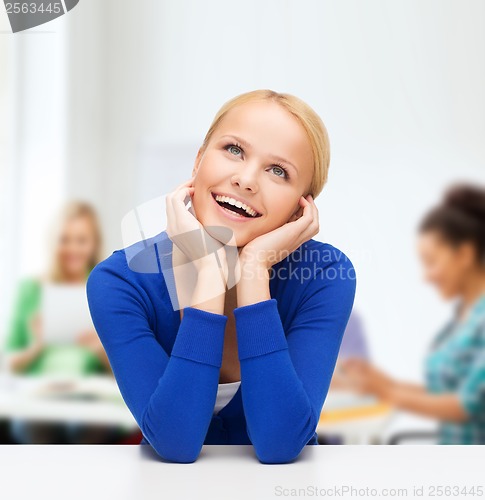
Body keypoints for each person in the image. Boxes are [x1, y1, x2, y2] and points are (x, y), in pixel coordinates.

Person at [86, 89, 357, 463]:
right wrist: (210, 277)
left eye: (278, 171)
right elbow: (175, 443)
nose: (246, 180)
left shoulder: (325, 276)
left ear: (300, 211)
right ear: (198, 161)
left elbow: (279, 445)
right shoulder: (119, 283)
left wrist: (253, 271)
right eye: (234, 150)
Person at [340, 183, 485, 444]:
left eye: (431, 262)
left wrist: (387, 392)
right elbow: (442, 392)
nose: (427, 276)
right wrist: (383, 383)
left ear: (464, 255)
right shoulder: (460, 320)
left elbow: (467, 406)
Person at [4, 200, 123, 444]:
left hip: (95, 397)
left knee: (95, 431)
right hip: (39, 397)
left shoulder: (107, 289)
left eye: (81, 240)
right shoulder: (31, 290)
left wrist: (100, 350)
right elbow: (10, 364)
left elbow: (128, 370)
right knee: (37, 429)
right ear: (53, 242)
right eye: (65, 239)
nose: (72, 248)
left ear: (93, 244)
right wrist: (35, 348)